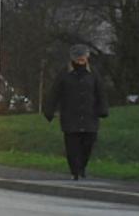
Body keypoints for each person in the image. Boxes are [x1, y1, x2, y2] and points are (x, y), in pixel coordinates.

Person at [42, 44, 109, 180]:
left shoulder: (93, 73)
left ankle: (82, 167)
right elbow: (54, 93)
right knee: (72, 146)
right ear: (73, 59)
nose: (80, 61)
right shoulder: (64, 74)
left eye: (83, 58)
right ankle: (75, 171)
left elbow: (100, 92)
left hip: (89, 116)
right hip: (70, 116)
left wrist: (103, 109)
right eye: (78, 59)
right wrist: (49, 110)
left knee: (88, 143)